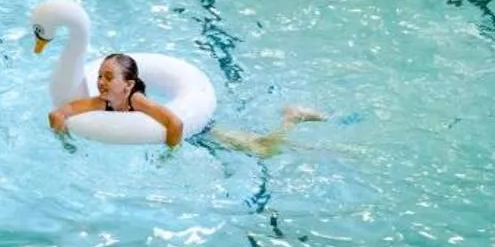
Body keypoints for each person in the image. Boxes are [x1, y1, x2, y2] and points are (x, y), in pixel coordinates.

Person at [50, 53, 185, 149]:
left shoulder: (137, 101)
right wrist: (67, 144)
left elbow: (176, 123)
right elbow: (56, 115)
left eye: (108, 78)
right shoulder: (102, 101)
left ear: (129, 85)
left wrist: (168, 155)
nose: (101, 82)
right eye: (100, 76)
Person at [210, 105, 327, 158]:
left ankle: (292, 118)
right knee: (272, 145)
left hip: (202, 125)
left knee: (263, 148)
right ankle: (336, 152)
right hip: (201, 122)